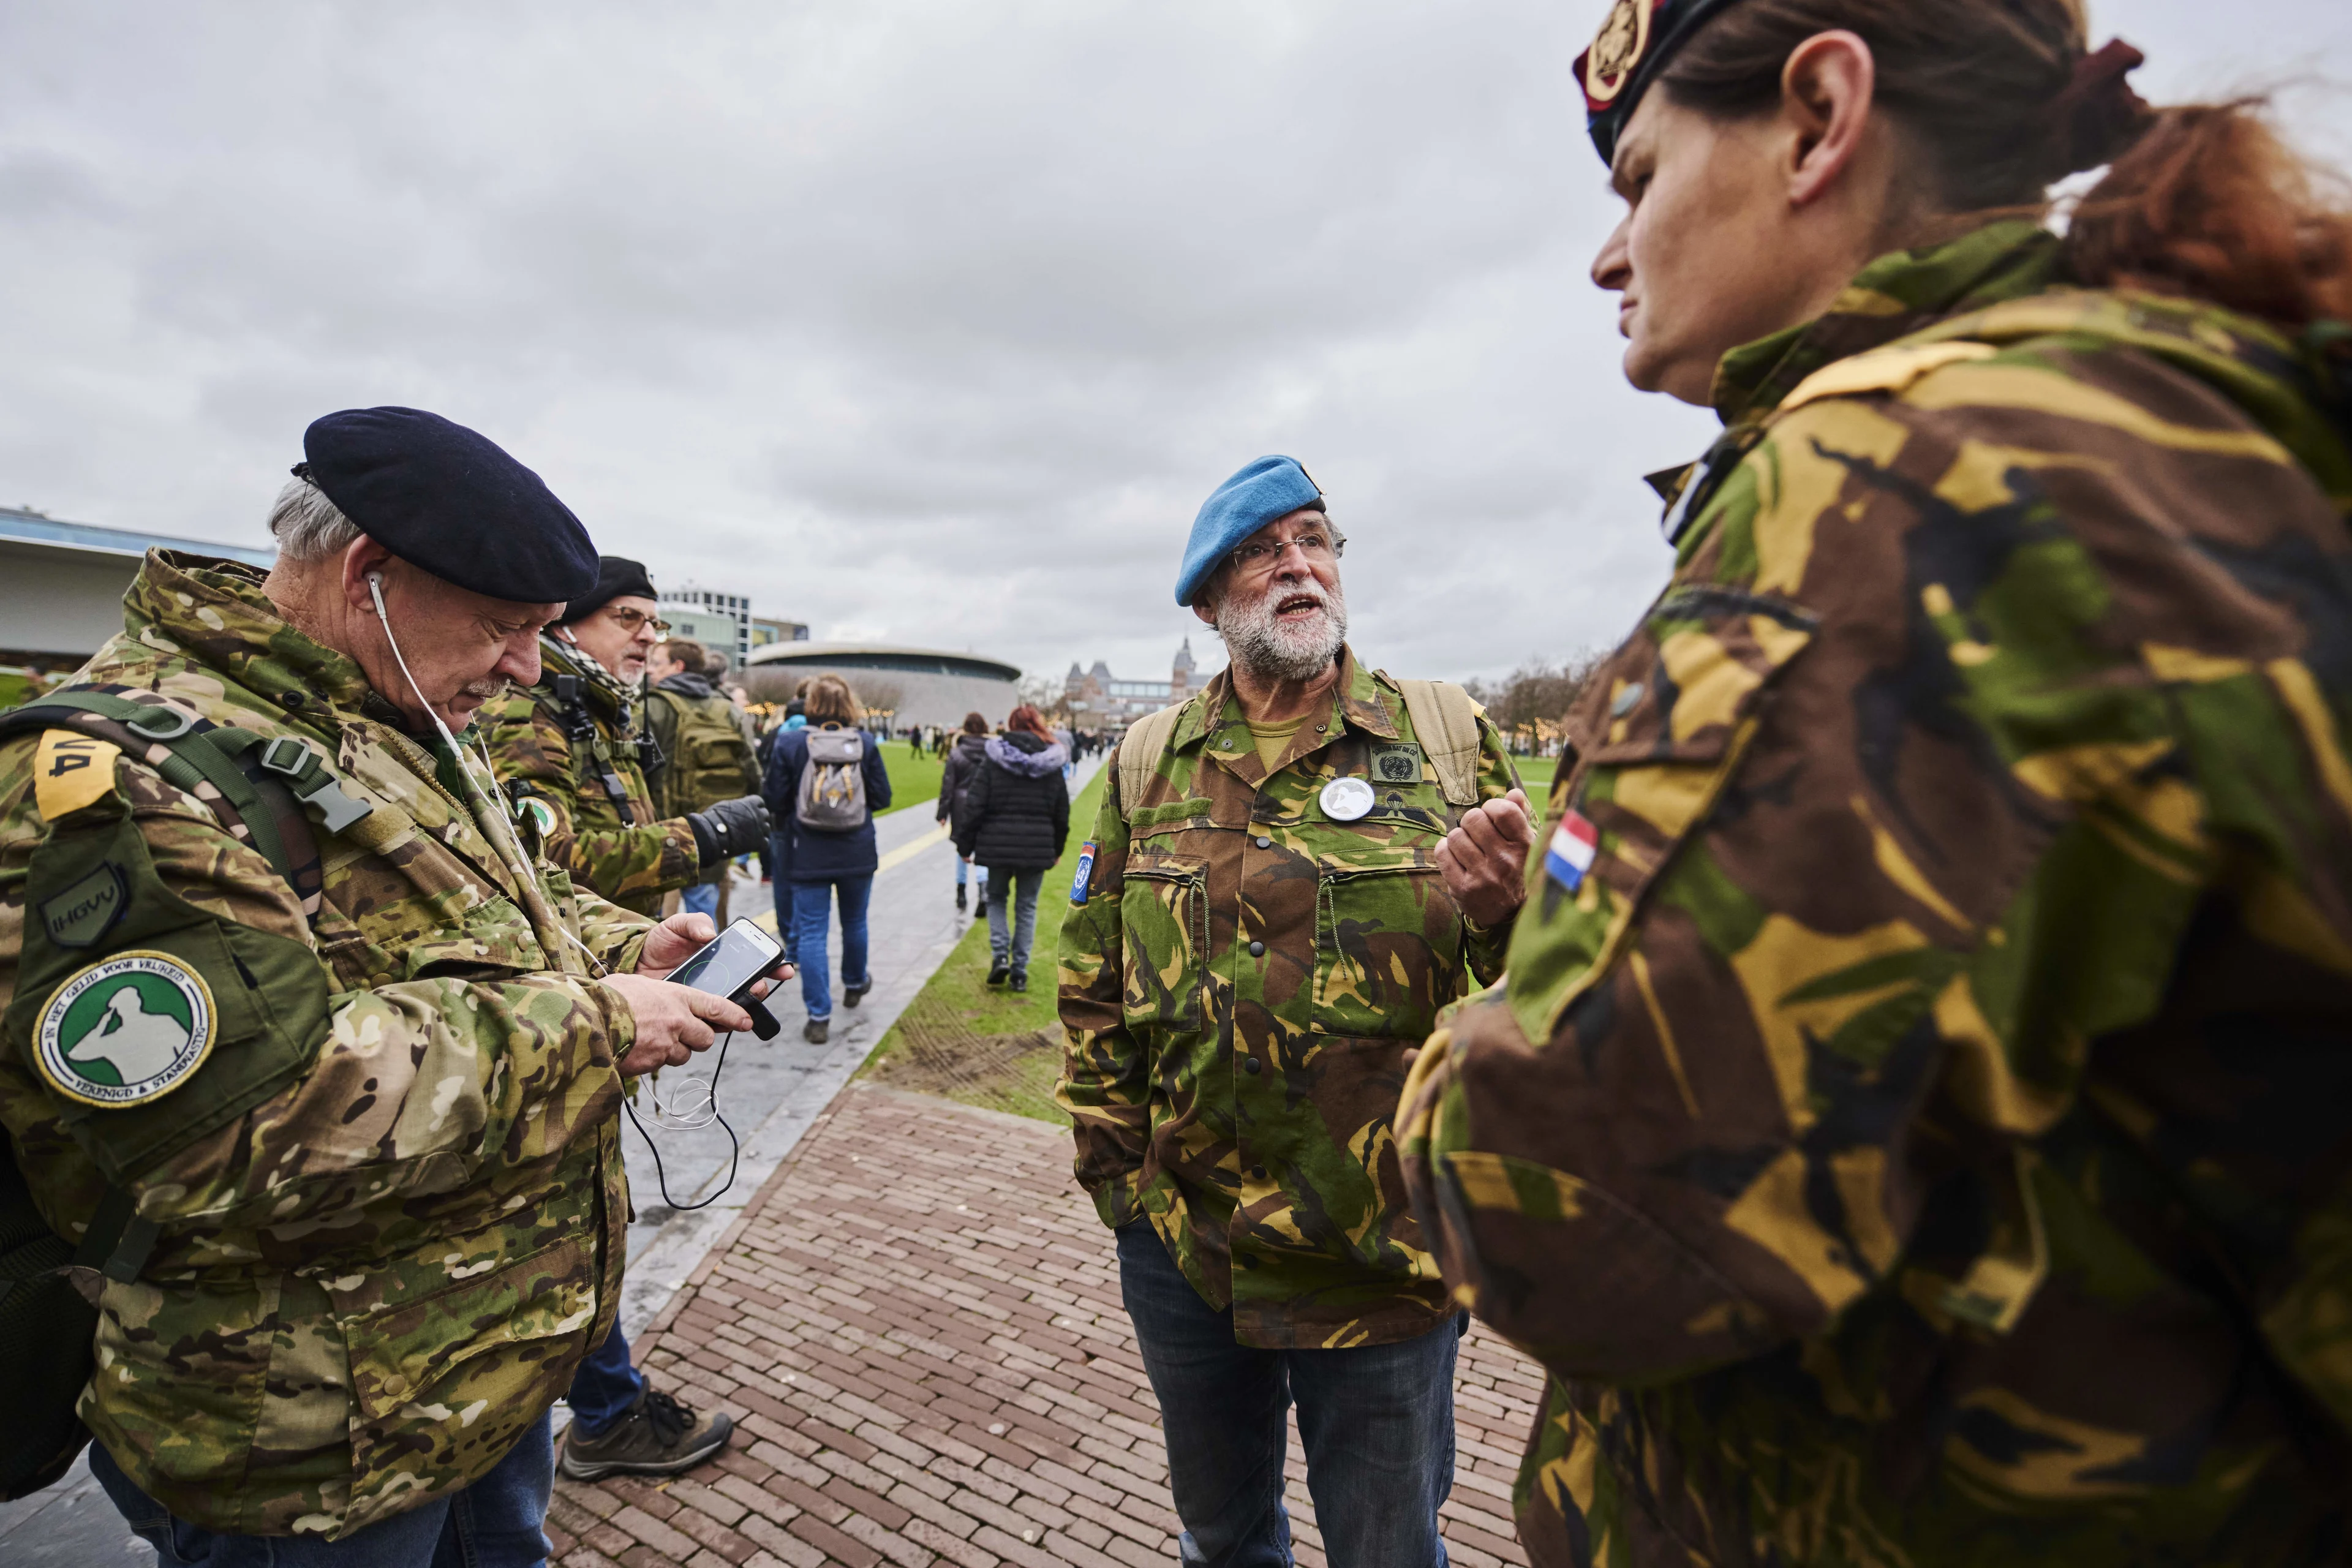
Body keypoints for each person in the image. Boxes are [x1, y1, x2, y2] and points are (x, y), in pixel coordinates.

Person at [1395, 5, 2352, 1564]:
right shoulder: (2182, 412)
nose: (1607, 252)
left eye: (1635, 179)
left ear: (1818, 117)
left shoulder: (1892, 496)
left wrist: (1441, 1061)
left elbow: (1569, 1202)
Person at [0, 407, 778, 1562]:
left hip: (472, 1379)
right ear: (368, 575)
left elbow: (497, 897)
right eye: (504, 628)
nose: (525, 668)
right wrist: (599, 1024)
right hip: (309, 1444)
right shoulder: (127, 774)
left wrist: (626, 950)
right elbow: (236, 1128)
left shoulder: (384, 711)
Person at [1057, 456, 1532, 1568]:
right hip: (1188, 1248)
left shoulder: (1444, 737)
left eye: (1315, 540)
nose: (1298, 565)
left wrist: (1511, 912)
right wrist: (1122, 1184)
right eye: (1264, 551)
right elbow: (1092, 986)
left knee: (1388, 1550)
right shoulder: (1145, 760)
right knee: (1222, 1542)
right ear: (1209, 601)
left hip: (1382, 1258)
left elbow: (1555, 990)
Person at [478, 560, 764, 1487]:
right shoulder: (532, 710)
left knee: (585, 1200)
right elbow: (547, 858)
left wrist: (645, 937)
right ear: (568, 623)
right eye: (625, 618)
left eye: (652, 619)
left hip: (606, 971)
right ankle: (607, 1409)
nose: (645, 636)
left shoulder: (600, 706)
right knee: (566, 1208)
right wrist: (704, 836)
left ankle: (606, 1404)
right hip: (549, 1004)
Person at [763, 674, 891, 1044]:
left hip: (807, 853)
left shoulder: (790, 743)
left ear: (811, 704)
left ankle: (819, 1016)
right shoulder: (864, 742)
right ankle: (854, 982)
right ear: (850, 704)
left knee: (813, 934)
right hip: (856, 850)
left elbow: (774, 799)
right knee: (855, 922)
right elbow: (882, 797)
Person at [643, 638, 763, 926]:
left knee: (652, 925)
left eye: (657, 663)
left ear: (678, 666)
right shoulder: (728, 710)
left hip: (659, 832)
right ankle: (712, 967)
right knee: (705, 917)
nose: (650, 670)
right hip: (714, 831)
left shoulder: (652, 708)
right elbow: (753, 774)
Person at [953, 704, 1069, 992]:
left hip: (997, 843)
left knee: (996, 899)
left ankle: (1000, 956)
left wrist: (965, 845)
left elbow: (975, 804)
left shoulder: (995, 759)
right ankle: (1019, 970)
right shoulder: (1050, 760)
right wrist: (1057, 848)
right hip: (1036, 846)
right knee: (1026, 907)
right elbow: (1061, 811)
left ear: (1011, 725)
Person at [938, 710, 992, 913]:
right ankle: (983, 891)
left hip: (961, 805)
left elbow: (948, 786)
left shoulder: (957, 753)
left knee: (962, 848)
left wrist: (942, 813)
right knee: (981, 848)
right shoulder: (992, 752)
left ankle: (961, 893)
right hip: (984, 804)